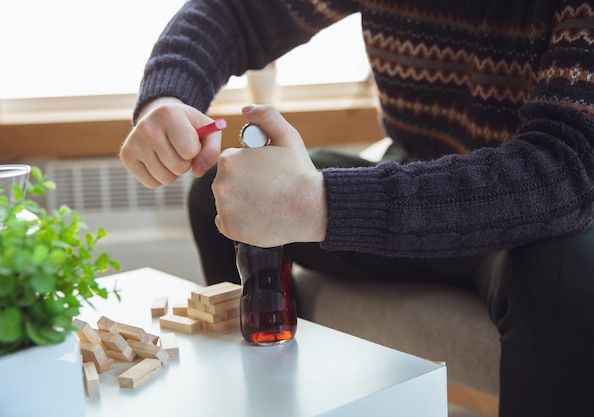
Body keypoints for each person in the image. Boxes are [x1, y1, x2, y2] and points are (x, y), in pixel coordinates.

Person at [119, 1, 594, 415]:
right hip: (418, 174)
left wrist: (318, 203)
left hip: (538, 228)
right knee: (221, 191)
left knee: (565, 275)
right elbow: (238, 12)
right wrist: (168, 96)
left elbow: (569, 164)